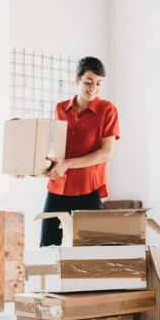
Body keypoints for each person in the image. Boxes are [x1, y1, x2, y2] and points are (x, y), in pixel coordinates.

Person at [39, 56, 120, 246]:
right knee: (47, 247)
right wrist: (32, 167)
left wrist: (67, 164)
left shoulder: (108, 110)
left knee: (89, 250)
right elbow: (53, 147)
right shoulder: (60, 109)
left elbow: (106, 153)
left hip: (88, 189)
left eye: (99, 83)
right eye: (88, 82)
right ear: (77, 80)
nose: (93, 88)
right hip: (57, 187)